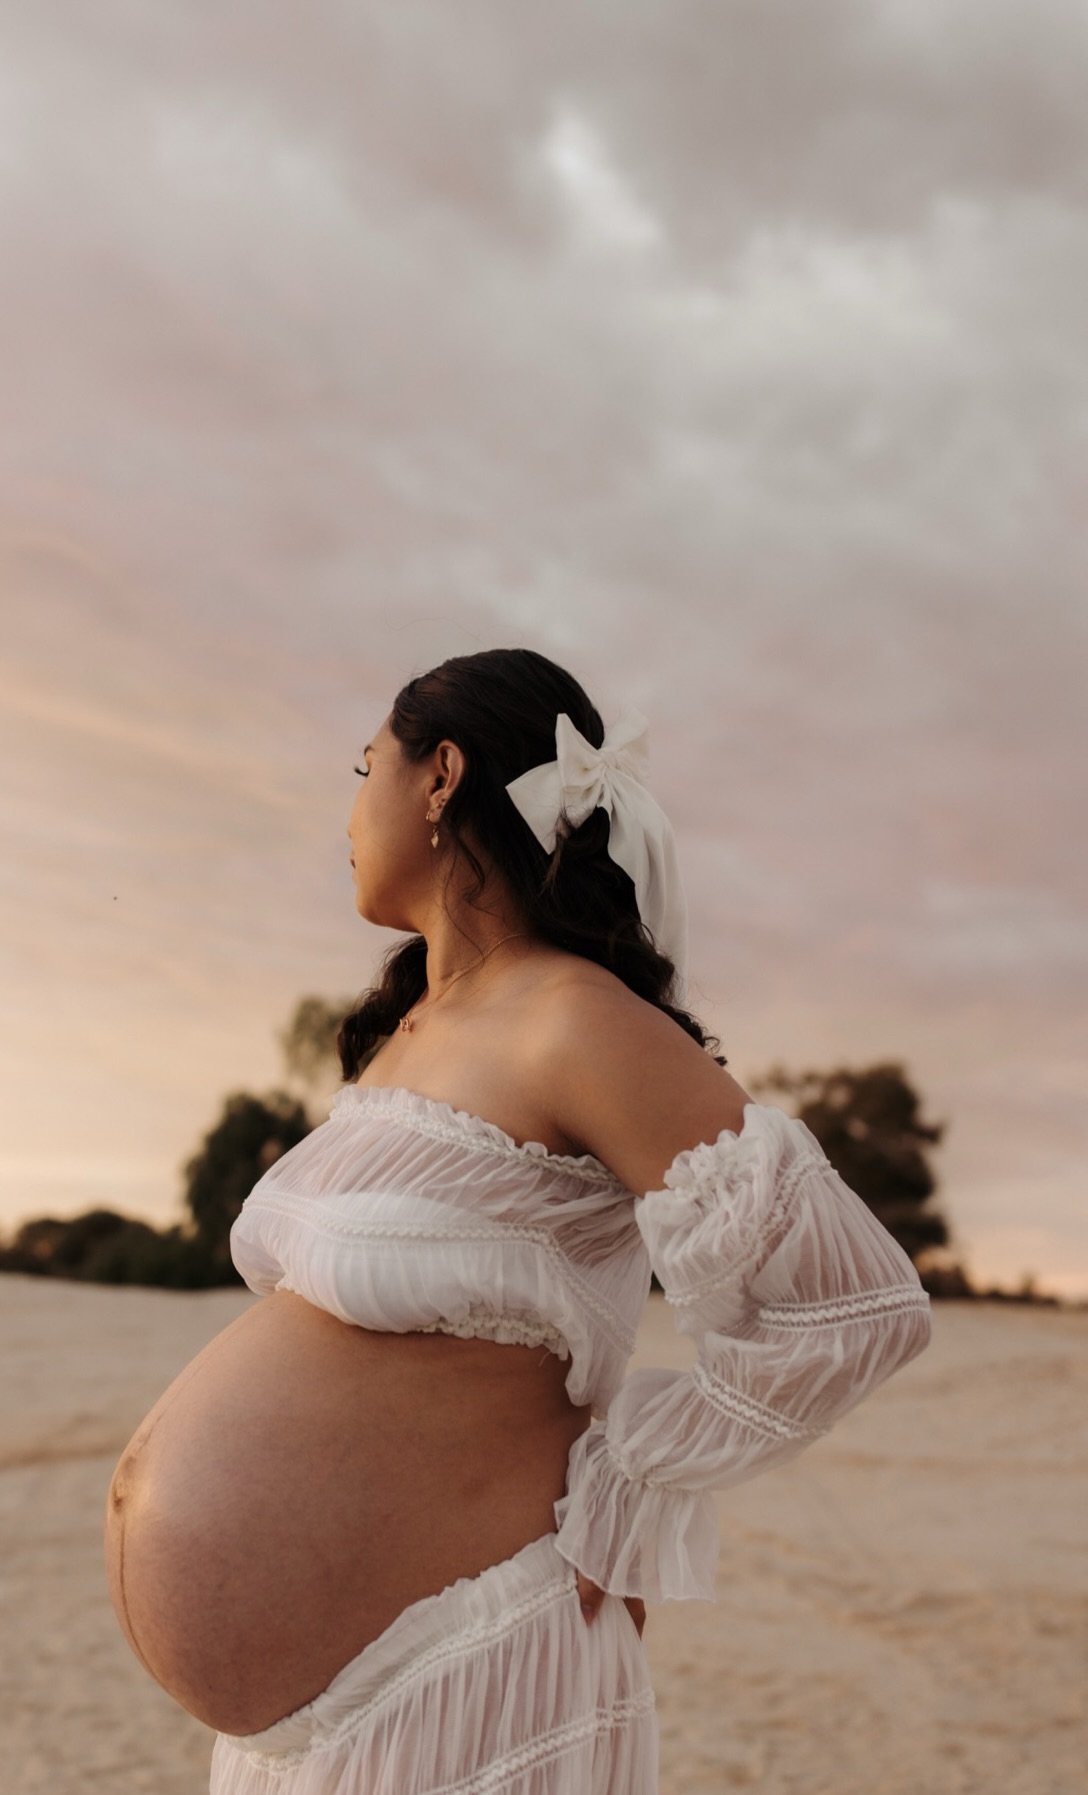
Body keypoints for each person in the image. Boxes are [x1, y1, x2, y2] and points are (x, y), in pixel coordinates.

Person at [198, 646, 932, 1792]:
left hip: (468, 1680)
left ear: (440, 775)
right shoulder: (407, 1034)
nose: (347, 809)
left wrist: (636, 1474)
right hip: (305, 1726)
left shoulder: (576, 1019)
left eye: (363, 768)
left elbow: (852, 1305)